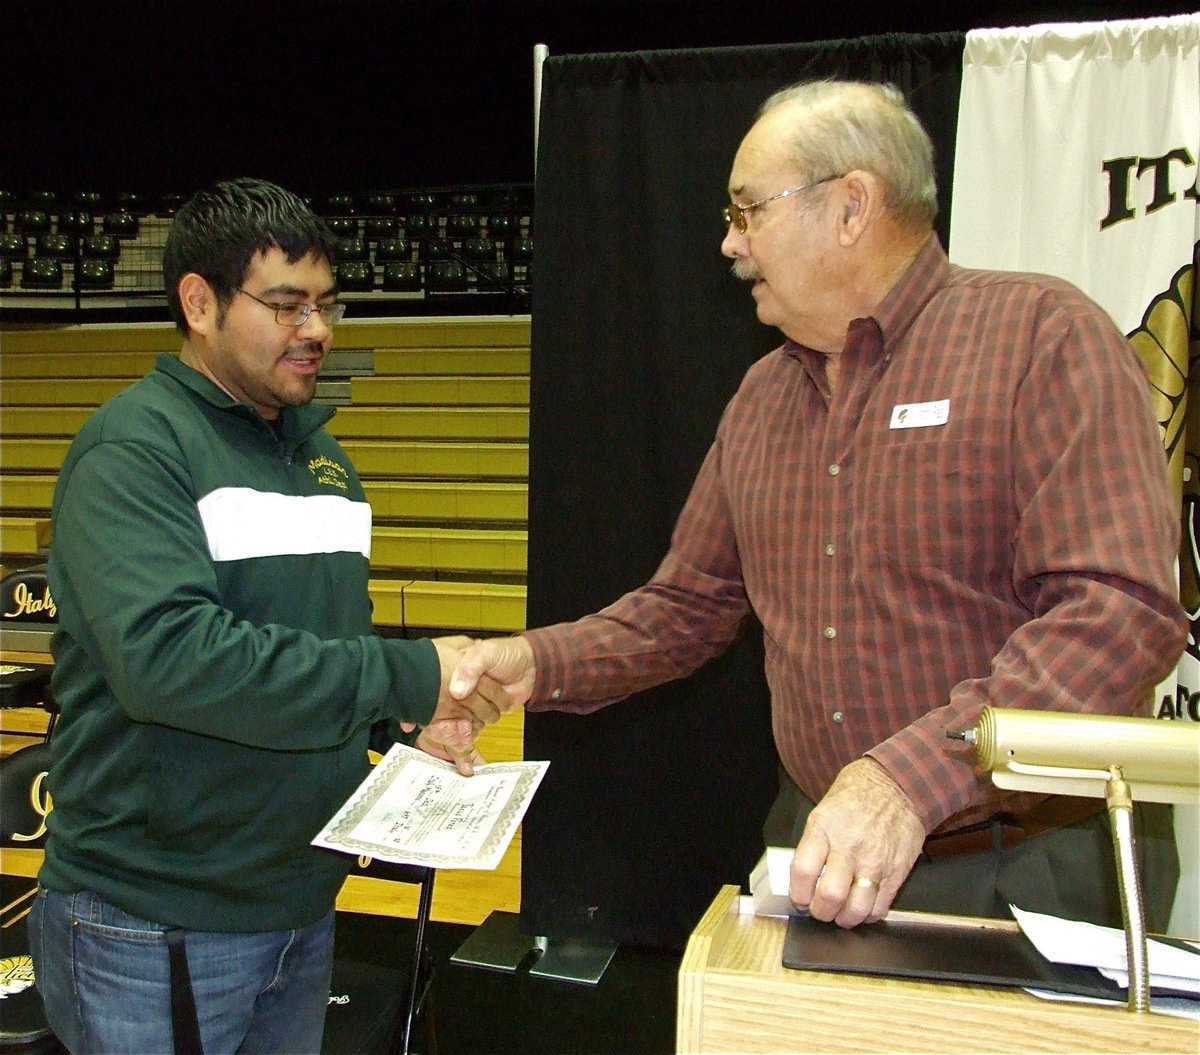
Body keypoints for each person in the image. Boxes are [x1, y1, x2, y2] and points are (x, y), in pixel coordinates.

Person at [449, 81, 1187, 932]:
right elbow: (685, 607)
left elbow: (1118, 611)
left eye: (747, 210)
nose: (729, 243)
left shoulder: (1042, 338)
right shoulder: (762, 395)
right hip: (821, 855)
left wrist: (912, 776)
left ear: (852, 206)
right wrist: (532, 665)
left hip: (1025, 868)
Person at [30, 178, 508, 1055]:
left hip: (300, 905)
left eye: (327, 305)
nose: (317, 330)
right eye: (287, 305)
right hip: (153, 921)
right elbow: (172, 661)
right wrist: (413, 672)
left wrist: (403, 730)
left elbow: (327, 655)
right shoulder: (133, 450)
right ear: (199, 302)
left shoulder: (327, 464)